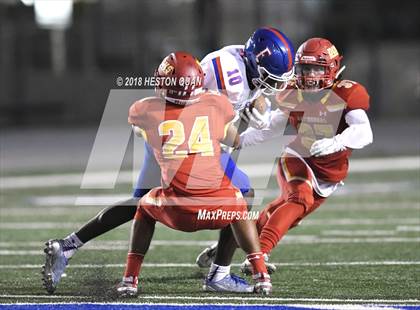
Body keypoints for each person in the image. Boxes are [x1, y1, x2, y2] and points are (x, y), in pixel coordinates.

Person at [42, 27, 295, 293]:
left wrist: (257, 104)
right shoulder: (229, 77)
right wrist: (249, 117)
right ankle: (220, 272)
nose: (275, 85)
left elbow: (238, 102)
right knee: (241, 196)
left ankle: (68, 246)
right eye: (271, 78)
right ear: (255, 63)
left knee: (141, 203)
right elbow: (215, 126)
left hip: (175, 133)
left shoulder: (241, 60)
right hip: (184, 139)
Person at [197, 37, 373, 274]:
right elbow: (272, 128)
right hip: (297, 157)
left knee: (282, 214)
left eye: (316, 68)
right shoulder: (293, 92)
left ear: (331, 68)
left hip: (328, 172)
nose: (309, 75)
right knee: (299, 200)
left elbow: (364, 132)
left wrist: (336, 142)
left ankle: (224, 247)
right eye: (304, 68)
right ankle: (259, 256)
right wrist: (238, 143)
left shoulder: (347, 93)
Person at [115, 51, 271, 296]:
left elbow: (140, 130)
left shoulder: (145, 109)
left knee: (144, 206)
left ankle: (130, 280)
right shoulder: (217, 104)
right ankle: (261, 275)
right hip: (219, 211)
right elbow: (234, 139)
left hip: (178, 212)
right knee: (240, 200)